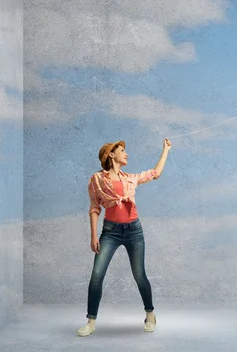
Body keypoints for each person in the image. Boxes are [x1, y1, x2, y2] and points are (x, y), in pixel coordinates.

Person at [77, 138, 171, 337]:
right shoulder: (97, 179)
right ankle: (91, 322)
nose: (126, 154)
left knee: (139, 275)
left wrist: (165, 150)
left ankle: (150, 314)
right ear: (111, 154)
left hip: (134, 231)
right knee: (96, 275)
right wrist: (93, 235)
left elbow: (155, 174)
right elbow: (94, 208)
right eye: (122, 150)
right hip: (110, 232)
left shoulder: (130, 178)